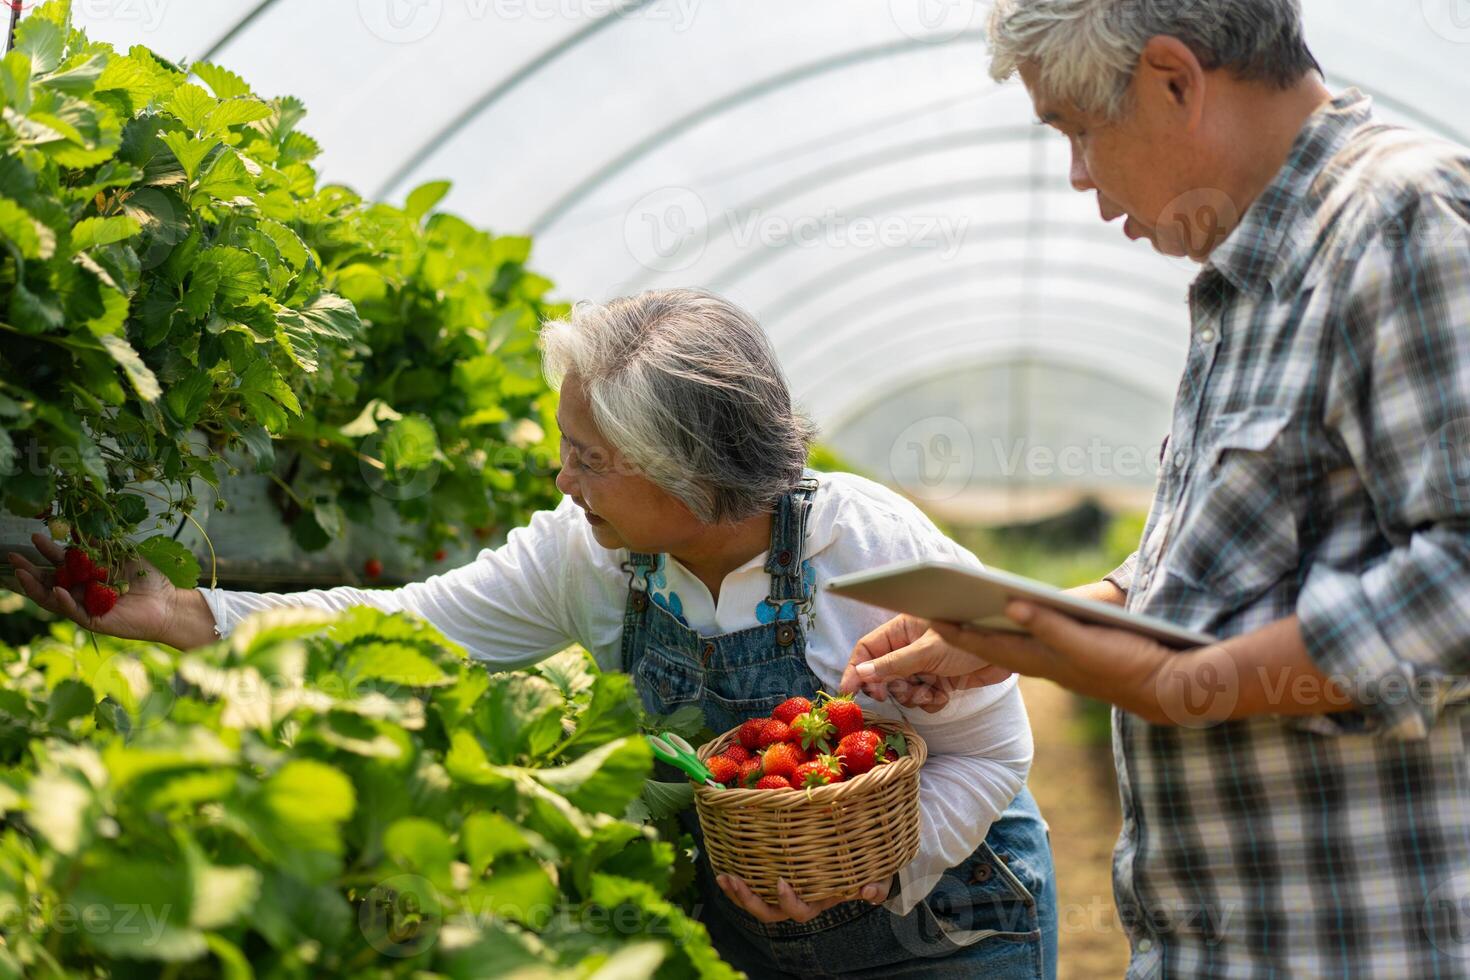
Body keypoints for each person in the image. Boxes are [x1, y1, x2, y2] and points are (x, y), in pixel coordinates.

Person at [9, 288, 1058, 979]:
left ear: (686, 469)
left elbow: (996, 749)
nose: (564, 478)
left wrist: (872, 868)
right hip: (753, 927)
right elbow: (397, 624)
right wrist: (188, 615)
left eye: (588, 456)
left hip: (947, 928)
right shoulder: (589, 552)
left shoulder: (868, 549)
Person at [843, 1, 1470, 977]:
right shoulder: (1247, 281)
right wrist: (1013, 625)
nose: (1082, 180)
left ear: (1175, 81)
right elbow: (1217, 560)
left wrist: (1186, 685)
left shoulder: (1401, 222)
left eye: (1081, 131)